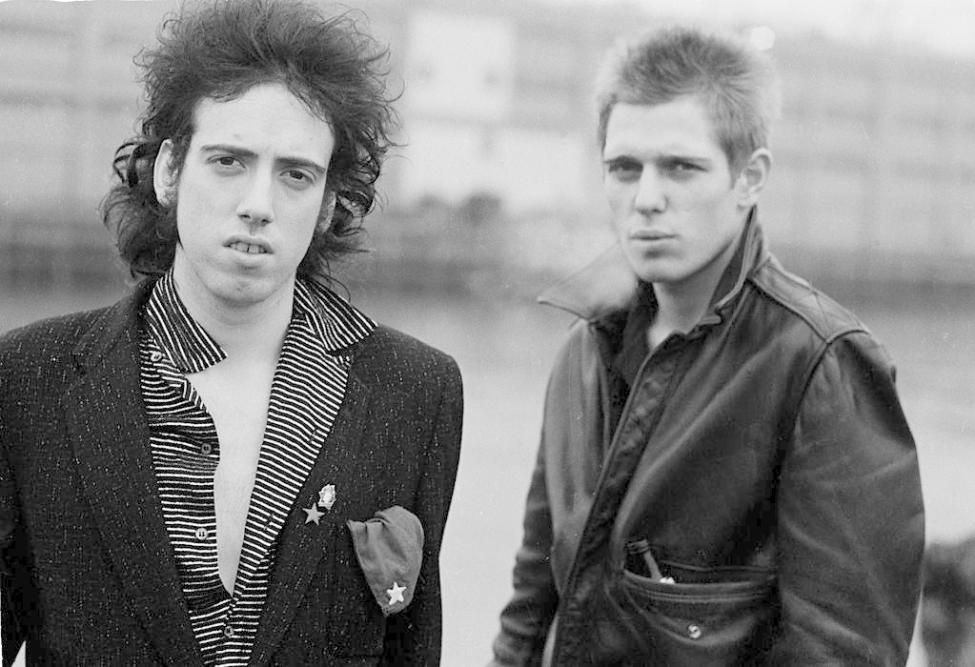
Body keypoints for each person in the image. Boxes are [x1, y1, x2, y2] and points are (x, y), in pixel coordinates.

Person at [0, 0, 463, 664]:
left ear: (329, 203)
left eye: (295, 174)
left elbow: (412, 643)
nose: (257, 204)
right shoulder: (26, 379)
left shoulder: (415, 390)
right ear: (169, 171)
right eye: (228, 161)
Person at [491, 26, 923, 666]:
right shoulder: (583, 349)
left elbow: (843, 648)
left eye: (681, 167)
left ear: (750, 178)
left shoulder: (818, 362)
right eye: (624, 168)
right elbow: (534, 594)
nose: (647, 199)